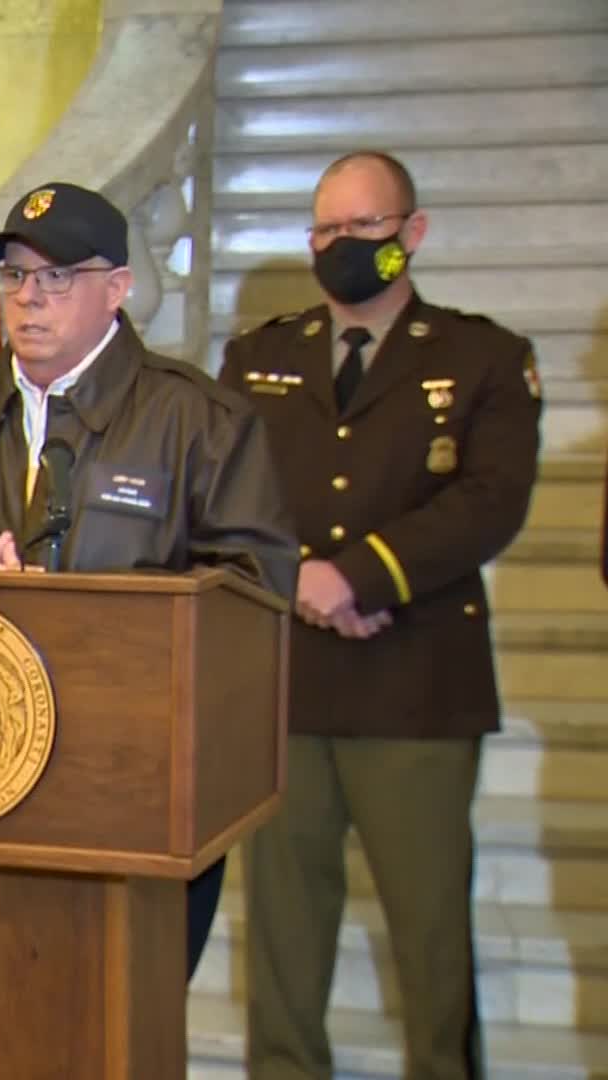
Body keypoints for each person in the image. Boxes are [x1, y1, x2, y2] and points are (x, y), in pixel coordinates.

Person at [0, 180, 299, 980]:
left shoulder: (200, 423)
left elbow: (255, 596)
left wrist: (88, 617)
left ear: (120, 289)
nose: (30, 299)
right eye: (14, 277)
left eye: (59, 277)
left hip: (132, 788)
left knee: (112, 1023)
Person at [222, 150, 541, 1080]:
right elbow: (231, 498)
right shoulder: (259, 358)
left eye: (364, 229)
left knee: (432, 935)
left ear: (413, 233)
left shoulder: (483, 358)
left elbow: (489, 501)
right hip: (291, 688)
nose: (342, 247)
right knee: (285, 941)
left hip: (418, 693)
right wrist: (299, 583)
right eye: (325, 230)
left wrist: (359, 576)